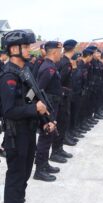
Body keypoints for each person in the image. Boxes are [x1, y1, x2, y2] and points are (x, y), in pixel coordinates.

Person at [0, 30, 55, 203]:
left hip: (28, 132)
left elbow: (32, 98)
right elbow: (9, 110)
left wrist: (45, 120)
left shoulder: (25, 72)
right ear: (14, 49)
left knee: (24, 173)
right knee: (15, 176)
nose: (30, 49)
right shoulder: (9, 77)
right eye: (26, 46)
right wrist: (35, 110)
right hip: (15, 135)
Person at [34, 41, 64, 182]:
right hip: (48, 107)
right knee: (45, 137)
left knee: (49, 136)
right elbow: (39, 91)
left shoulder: (51, 66)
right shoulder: (48, 68)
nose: (61, 54)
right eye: (60, 51)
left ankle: (44, 164)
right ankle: (39, 169)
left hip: (53, 105)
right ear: (54, 52)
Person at [51, 39, 77, 160]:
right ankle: (56, 151)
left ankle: (59, 148)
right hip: (62, 98)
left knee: (62, 123)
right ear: (73, 49)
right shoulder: (65, 63)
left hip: (62, 97)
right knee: (61, 124)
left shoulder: (63, 61)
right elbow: (59, 82)